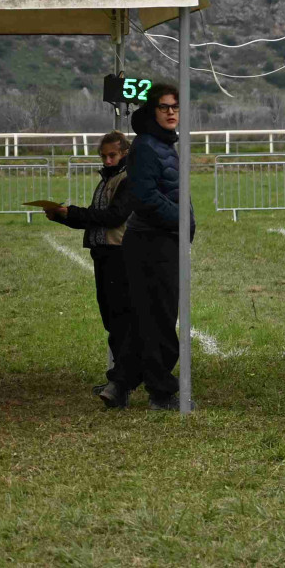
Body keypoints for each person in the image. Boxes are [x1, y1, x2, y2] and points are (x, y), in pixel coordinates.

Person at [45, 131, 139, 402]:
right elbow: (96, 218)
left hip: (120, 255)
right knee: (112, 320)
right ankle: (119, 378)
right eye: (104, 156)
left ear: (124, 153)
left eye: (113, 155)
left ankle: (122, 382)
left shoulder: (128, 180)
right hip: (103, 255)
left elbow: (113, 216)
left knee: (121, 320)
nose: (108, 160)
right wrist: (62, 217)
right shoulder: (108, 179)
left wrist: (71, 212)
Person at [119, 84, 187, 410]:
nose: (171, 112)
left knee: (148, 318)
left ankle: (120, 383)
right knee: (159, 319)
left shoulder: (162, 144)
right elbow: (144, 197)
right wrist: (182, 219)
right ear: (152, 111)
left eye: (175, 106)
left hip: (162, 239)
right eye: (164, 107)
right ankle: (161, 391)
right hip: (150, 242)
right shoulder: (146, 147)